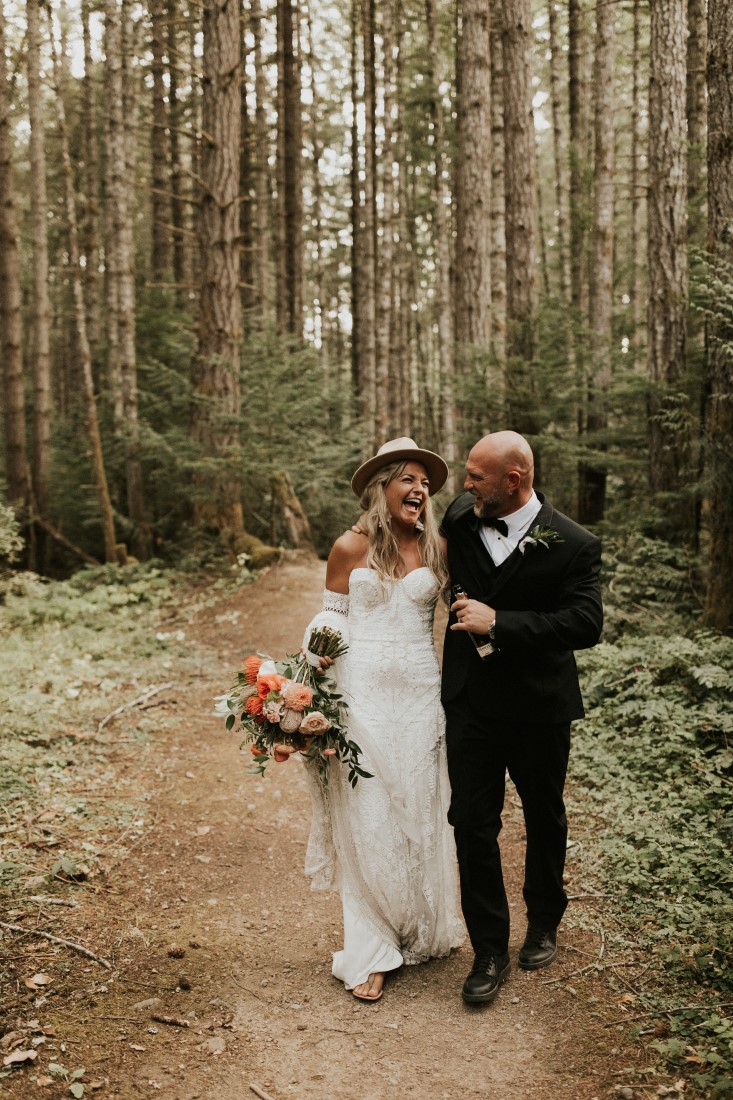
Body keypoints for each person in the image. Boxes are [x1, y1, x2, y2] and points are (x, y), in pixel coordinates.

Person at [440, 430, 603, 1005]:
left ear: (514, 480)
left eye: (476, 476)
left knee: (544, 815)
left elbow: (585, 624)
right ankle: (488, 947)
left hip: (539, 707)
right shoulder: (461, 518)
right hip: (471, 706)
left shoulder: (575, 544)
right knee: (472, 824)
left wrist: (500, 622)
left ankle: (544, 922)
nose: (465, 485)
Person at [302, 438, 464, 1002]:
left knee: (417, 812)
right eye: (408, 480)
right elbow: (331, 617)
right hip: (360, 694)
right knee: (367, 814)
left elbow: (467, 607)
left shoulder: (440, 548)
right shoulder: (349, 546)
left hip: (421, 697)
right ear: (383, 486)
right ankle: (369, 950)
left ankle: (414, 924)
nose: (419, 490)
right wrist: (311, 671)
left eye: (425, 482)